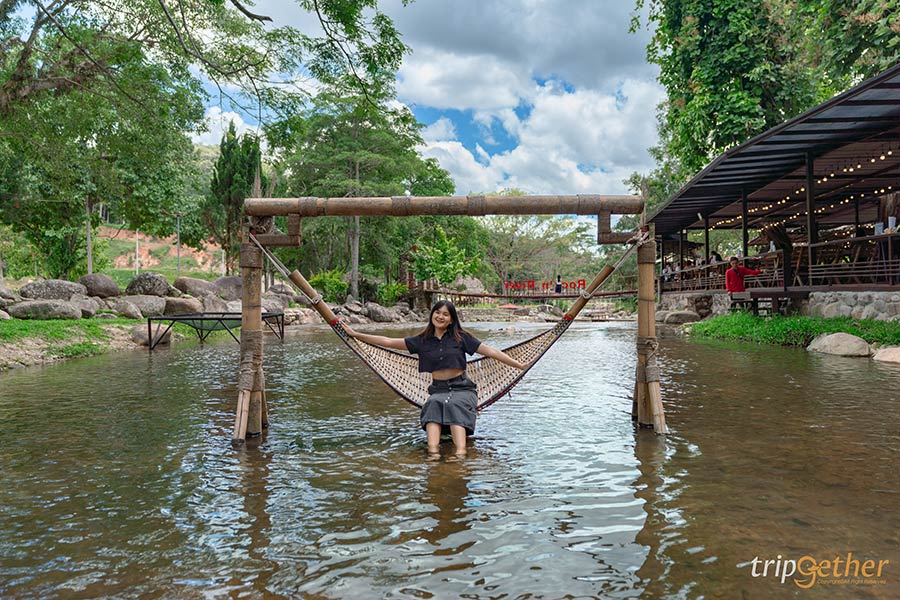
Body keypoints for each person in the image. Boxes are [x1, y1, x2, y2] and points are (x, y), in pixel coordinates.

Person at [343, 300, 527, 461]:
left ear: (451, 319)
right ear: (432, 315)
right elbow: (388, 341)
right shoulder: (422, 340)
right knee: (432, 404)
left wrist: (518, 365)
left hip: (463, 389)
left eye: (445, 314)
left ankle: (461, 453)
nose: (440, 317)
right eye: (437, 312)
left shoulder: (461, 338)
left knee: (455, 404)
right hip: (438, 390)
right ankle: (432, 453)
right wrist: (356, 335)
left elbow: (491, 352)